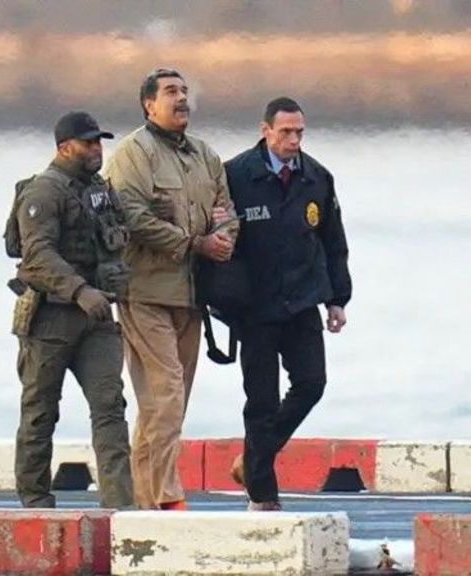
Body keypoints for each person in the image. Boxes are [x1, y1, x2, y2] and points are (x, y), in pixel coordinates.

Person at [105, 68, 238, 510]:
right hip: (145, 292)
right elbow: (133, 216)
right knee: (166, 395)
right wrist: (195, 243)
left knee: (168, 403)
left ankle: (144, 499)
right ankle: (166, 497)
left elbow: (226, 212)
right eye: (170, 92)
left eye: (184, 91)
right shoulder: (133, 153)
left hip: (191, 295)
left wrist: (223, 239)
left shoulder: (205, 155)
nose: (181, 98)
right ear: (149, 105)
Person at [224, 97, 352, 511]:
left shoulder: (317, 178)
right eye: (285, 132)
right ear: (266, 131)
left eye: (299, 132)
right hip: (255, 308)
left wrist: (337, 299)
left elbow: (333, 242)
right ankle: (263, 496)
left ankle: (253, 460)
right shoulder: (235, 176)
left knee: (312, 384)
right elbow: (220, 241)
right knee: (261, 401)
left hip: (302, 301)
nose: (294, 140)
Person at [9, 111, 134, 509]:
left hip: (97, 319)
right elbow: (37, 255)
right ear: (64, 147)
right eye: (88, 143)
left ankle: (118, 506)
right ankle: (35, 501)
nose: (97, 149)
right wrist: (80, 291)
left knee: (110, 407)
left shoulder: (99, 190)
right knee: (40, 411)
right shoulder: (44, 192)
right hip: (51, 318)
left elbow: (120, 235)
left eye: (99, 142)